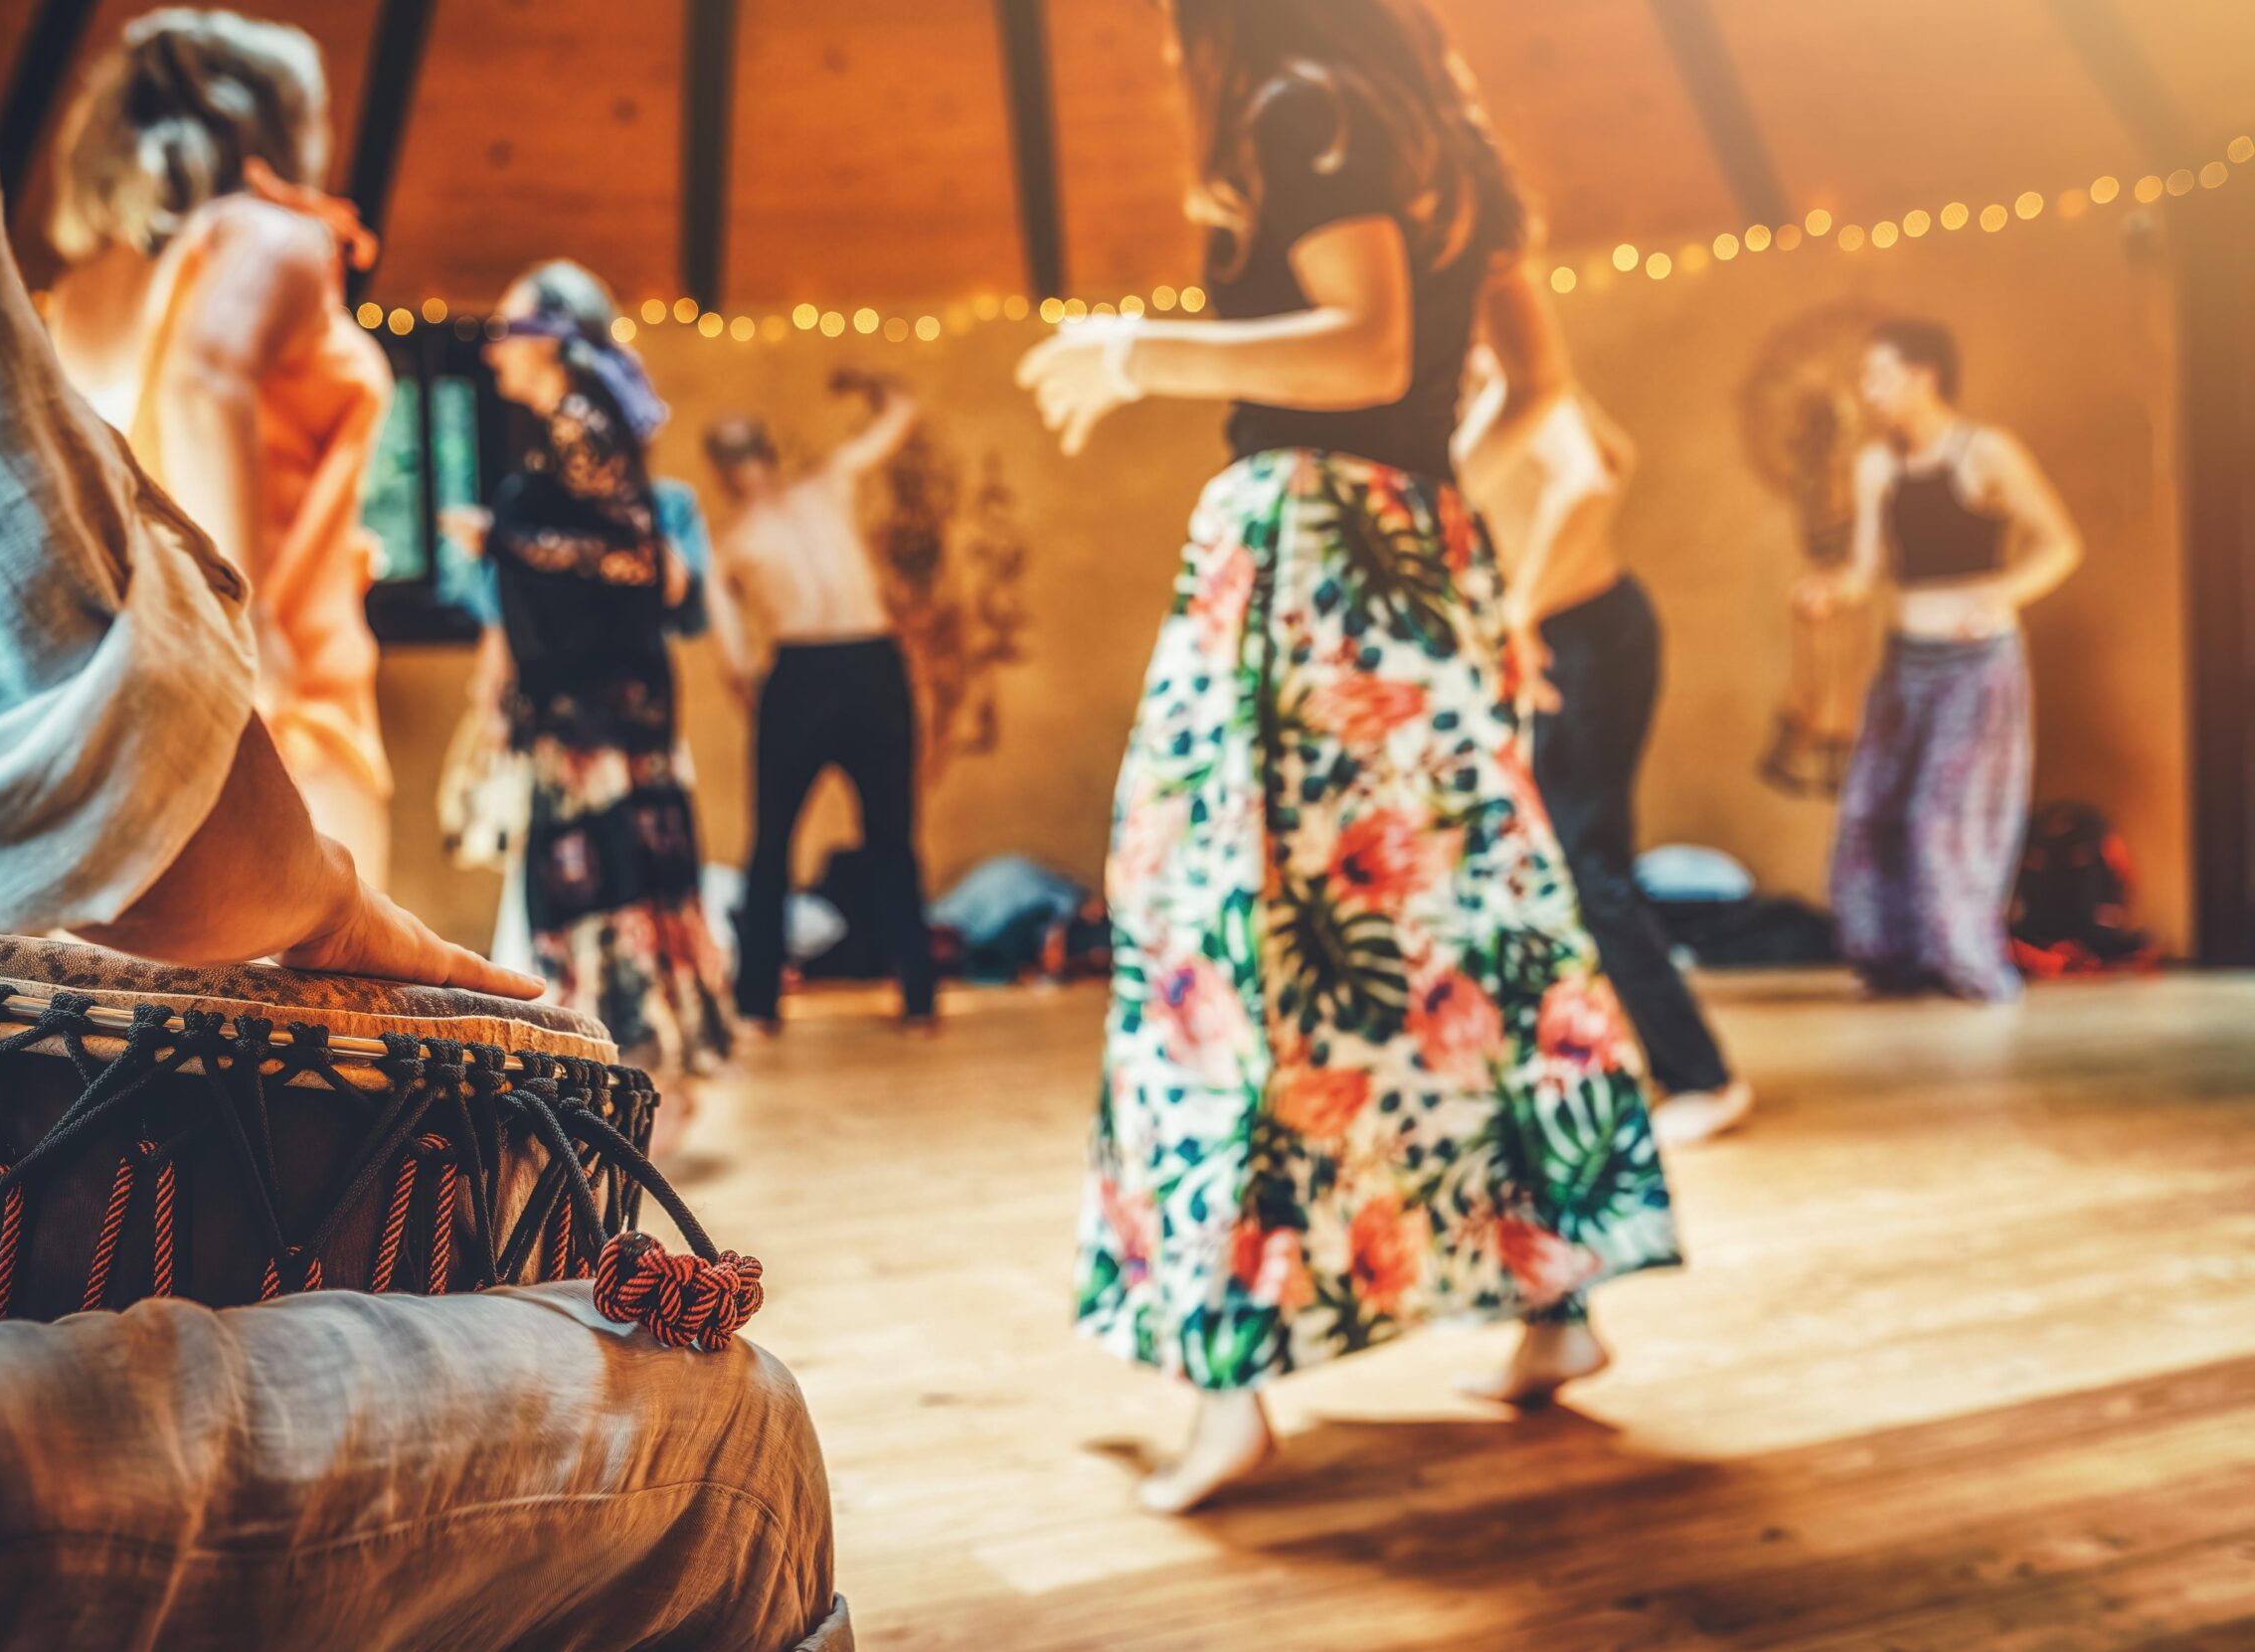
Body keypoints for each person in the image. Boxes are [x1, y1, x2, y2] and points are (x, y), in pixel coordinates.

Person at [0, 5, 847, 1647]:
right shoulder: (268, 238)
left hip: (229, 751)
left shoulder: (127, 271)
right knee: (737, 1446)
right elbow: (11, 598)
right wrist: (280, 857)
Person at [1018, 0, 1680, 1514]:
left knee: (1222, 947)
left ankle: (1227, 1386)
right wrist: (1474, 572)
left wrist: (1141, 352)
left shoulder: (1296, 106)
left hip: (1303, 565)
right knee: (1464, 945)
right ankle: (1553, 1309)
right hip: (1419, 559)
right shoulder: (1445, 142)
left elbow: (1365, 338)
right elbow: (1534, 391)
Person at [44, 10, 396, 886]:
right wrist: (252, 636)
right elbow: (204, 384)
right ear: (275, 122)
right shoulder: (273, 234)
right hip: (280, 699)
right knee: (339, 1006)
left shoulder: (87, 287)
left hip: (133, 698)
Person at [443, 260, 734, 1148]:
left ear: (553, 340)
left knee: (613, 896)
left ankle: (640, 1095)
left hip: (603, 723)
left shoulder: (582, 424)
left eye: (506, 332)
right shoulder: (579, 430)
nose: (494, 355)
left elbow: (636, 559)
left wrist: (502, 534)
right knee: (611, 897)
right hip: (592, 716)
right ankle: (628, 1092)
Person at [1456, 355, 1754, 1145]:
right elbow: (1618, 460)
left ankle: (1702, 1077)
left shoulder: (1497, 376)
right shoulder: (1516, 382)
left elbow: (1587, 480)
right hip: (1592, 630)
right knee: (1568, 860)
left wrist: (1521, 607)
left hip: (1581, 638)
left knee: (1586, 866)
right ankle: (1597, 1068)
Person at [1799, 319, 2083, 1002]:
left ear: (1923, 377)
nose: (1867, 392)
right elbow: (1867, 570)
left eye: (1878, 377)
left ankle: (1964, 963)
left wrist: (2000, 598)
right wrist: (1831, 591)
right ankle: (1891, 958)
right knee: (1875, 809)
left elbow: (2060, 543)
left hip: (1976, 664)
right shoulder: (1877, 465)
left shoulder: (1985, 452)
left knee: (1944, 816)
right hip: (1905, 662)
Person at [704, 372, 937, 1032]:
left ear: (721, 472)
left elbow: (732, 659)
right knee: (889, 836)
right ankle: (915, 996)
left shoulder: (733, 539)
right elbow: (902, 407)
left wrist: (766, 703)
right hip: (869, 664)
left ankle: (757, 1004)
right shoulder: (827, 484)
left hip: (804, 674)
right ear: (767, 454)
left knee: (774, 845)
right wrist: (862, 378)